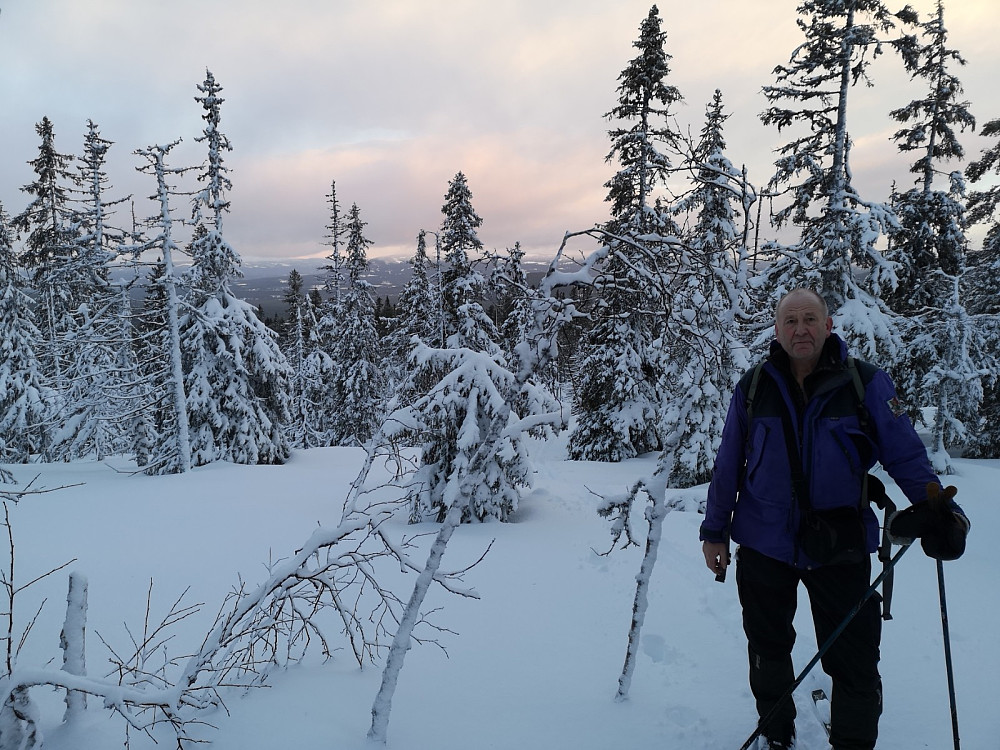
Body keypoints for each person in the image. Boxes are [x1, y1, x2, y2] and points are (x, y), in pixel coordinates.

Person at [700, 288, 969, 750]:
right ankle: (776, 735)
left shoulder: (866, 383)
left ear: (828, 326)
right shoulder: (753, 388)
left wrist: (942, 510)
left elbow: (905, 453)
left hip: (840, 546)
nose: (800, 328)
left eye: (810, 319)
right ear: (778, 330)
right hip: (765, 545)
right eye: (790, 320)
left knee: (855, 661)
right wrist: (714, 530)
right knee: (767, 650)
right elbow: (729, 464)